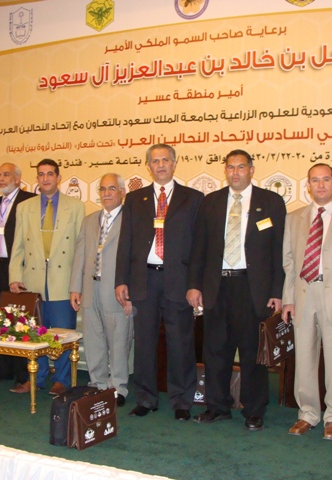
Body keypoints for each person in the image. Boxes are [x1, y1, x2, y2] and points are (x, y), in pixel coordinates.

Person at [187, 149, 286, 431]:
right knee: (215, 351)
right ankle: (217, 406)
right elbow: (199, 248)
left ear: (251, 170)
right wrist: (194, 285)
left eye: (241, 167)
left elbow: (280, 251)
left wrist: (277, 291)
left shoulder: (271, 202)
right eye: (230, 167)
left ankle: (254, 410)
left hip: (252, 288)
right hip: (217, 286)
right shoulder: (211, 202)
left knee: (253, 352)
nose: (235, 172)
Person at [115, 144, 203, 421]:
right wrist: (121, 280)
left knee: (181, 343)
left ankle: (181, 401)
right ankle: (145, 398)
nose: (161, 165)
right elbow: (125, 242)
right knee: (144, 343)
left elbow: (199, 247)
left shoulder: (193, 198)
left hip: (179, 280)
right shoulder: (135, 199)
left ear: (175, 163)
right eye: (155, 161)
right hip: (144, 279)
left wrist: (195, 283)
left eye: (166, 160)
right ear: (148, 166)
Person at [282, 164, 332, 440]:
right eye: (315, 180)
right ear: (307, 185)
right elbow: (289, 263)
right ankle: (307, 413)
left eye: (325, 179)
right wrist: (288, 299)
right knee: (304, 358)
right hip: (304, 295)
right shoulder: (293, 218)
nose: (320, 185)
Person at [9, 159, 84, 396]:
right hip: (33, 281)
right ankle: (36, 378)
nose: (45, 178)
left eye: (50, 174)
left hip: (63, 280)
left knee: (62, 334)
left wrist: (78, 283)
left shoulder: (76, 206)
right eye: (41, 174)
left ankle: (61, 380)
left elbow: (80, 248)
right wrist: (14, 276)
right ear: (37, 179)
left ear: (58, 178)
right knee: (34, 333)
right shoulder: (25, 207)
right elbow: (18, 245)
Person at [70, 173, 133, 407]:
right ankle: (97, 384)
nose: (107, 194)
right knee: (93, 339)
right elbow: (80, 255)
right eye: (103, 189)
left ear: (122, 192)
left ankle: (118, 387)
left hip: (117, 291)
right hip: (90, 288)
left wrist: (132, 292)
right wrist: (75, 287)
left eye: (112, 189)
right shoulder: (89, 220)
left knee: (118, 341)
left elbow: (136, 259)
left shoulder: (131, 220)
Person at [0, 163, 36, 385]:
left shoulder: (29, 201)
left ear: (18, 178)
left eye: (6, 175)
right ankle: (2, 367)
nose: (1, 179)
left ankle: (21, 372)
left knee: (18, 319)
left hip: (17, 268)